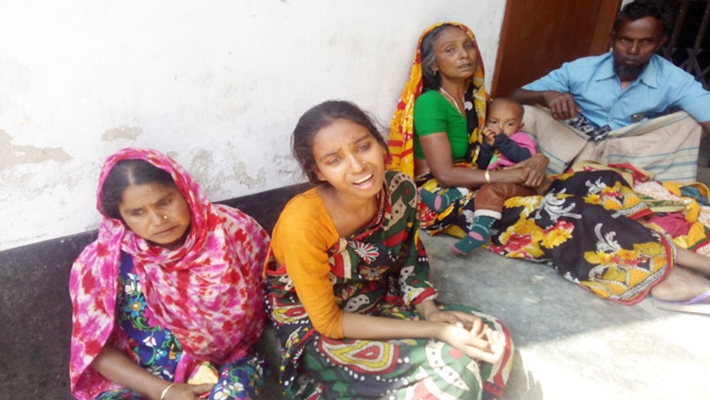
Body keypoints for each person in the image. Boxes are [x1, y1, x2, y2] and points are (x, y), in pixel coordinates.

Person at [387, 21, 710, 314]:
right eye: (450, 50)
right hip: (447, 198)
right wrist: (509, 175)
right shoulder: (431, 102)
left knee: (595, 180)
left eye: (468, 45)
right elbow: (443, 174)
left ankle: (673, 253)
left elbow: (499, 147)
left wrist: (535, 160)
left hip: (488, 179)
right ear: (432, 64)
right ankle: (666, 280)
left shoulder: (478, 99)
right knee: (569, 212)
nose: (464, 54)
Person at [265, 100, 513, 399]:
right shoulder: (303, 224)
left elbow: (410, 261)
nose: (358, 166)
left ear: (380, 145)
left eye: (363, 147)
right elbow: (330, 322)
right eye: (334, 160)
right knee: (451, 370)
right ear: (318, 172)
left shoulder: (399, 189)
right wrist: (437, 331)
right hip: (316, 326)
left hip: (378, 298)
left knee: (490, 334)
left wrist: (431, 312)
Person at [69, 148, 270, 400]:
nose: (157, 220)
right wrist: (164, 391)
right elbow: (95, 349)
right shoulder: (101, 263)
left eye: (165, 202)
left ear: (185, 192)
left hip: (227, 366)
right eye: (137, 212)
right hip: (139, 381)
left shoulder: (230, 232)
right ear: (119, 216)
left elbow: (274, 292)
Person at [510, 0, 710, 182]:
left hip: (630, 154)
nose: (633, 50)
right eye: (625, 40)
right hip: (572, 144)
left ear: (660, 42)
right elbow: (514, 96)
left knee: (690, 124)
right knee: (526, 112)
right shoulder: (581, 69)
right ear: (612, 38)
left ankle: (638, 183)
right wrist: (546, 95)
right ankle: (533, 172)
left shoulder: (673, 78)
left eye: (646, 42)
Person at [418, 97, 549, 253]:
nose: (500, 128)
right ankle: (443, 201)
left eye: (509, 124)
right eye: (494, 122)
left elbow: (523, 156)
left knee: (491, 190)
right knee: (472, 178)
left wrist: (501, 141)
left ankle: (480, 231)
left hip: (520, 184)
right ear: (485, 122)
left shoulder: (520, 139)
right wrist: (487, 146)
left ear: (519, 126)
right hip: (497, 178)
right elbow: (482, 164)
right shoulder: (490, 140)